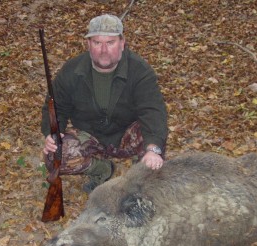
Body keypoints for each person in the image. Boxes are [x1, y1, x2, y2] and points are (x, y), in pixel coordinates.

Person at [41, 14, 168, 193]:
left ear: (122, 43)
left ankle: (139, 175)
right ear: (88, 45)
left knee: (153, 153)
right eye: (97, 42)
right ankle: (102, 169)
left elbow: (153, 111)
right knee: (53, 156)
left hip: (127, 136)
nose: (103, 50)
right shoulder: (72, 70)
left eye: (110, 42)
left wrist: (153, 148)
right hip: (90, 137)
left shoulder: (139, 71)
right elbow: (55, 107)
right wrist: (53, 133)